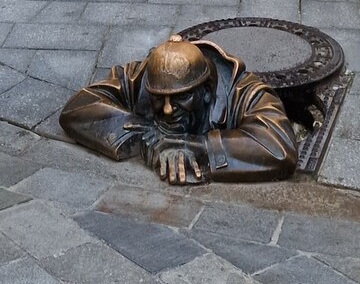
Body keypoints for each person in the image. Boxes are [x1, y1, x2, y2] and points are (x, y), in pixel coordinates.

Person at [59, 35, 297, 184]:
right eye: (159, 99)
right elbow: (77, 108)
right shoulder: (144, 77)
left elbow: (279, 148)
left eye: (181, 98)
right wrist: (146, 135)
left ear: (206, 91)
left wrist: (197, 147)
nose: (168, 109)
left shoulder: (245, 92)